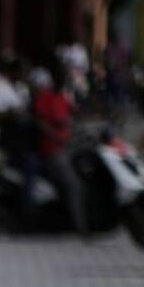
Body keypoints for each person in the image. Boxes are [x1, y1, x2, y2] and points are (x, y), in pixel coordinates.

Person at [30, 65, 88, 235]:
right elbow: (41, 123)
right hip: (53, 150)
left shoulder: (62, 97)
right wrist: (56, 136)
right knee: (74, 186)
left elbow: (76, 113)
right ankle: (80, 226)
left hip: (68, 147)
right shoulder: (44, 97)